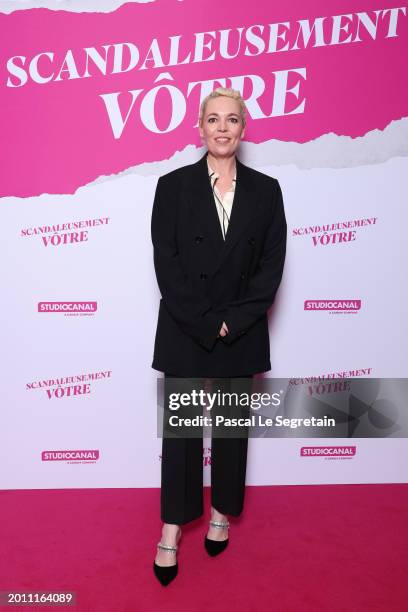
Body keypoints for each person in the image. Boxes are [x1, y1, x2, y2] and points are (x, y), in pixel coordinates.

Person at [151, 87, 287, 585]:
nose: (223, 128)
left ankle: (221, 515)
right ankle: (171, 530)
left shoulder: (267, 190)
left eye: (232, 119)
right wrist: (209, 321)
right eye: (213, 119)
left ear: (244, 129)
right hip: (187, 325)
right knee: (181, 436)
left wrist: (235, 320)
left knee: (231, 432)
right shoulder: (172, 186)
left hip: (241, 329)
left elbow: (271, 268)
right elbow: (167, 267)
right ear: (201, 128)